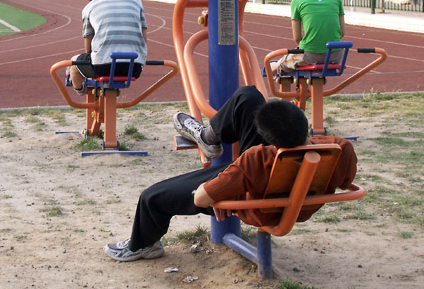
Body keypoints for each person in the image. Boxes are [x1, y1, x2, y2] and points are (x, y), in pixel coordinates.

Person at [104, 85, 357, 262]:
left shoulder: (255, 159)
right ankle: (207, 136)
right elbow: (346, 181)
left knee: (151, 197)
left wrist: (223, 193)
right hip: (283, 187)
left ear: (268, 141)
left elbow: (201, 198)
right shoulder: (340, 147)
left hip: (259, 203)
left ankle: (142, 245)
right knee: (248, 97)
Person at [68, 0, 148, 95]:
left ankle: (79, 90)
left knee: (74, 63)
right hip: (134, 67)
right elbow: (143, 32)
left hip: (102, 67)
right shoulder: (136, 1)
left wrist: (89, 55)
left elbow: (88, 40)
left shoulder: (90, 7)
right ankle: (113, 90)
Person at [274, 0, 345, 73]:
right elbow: (342, 32)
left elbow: (297, 38)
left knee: (277, 65)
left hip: (310, 56)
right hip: (335, 56)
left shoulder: (297, 0)